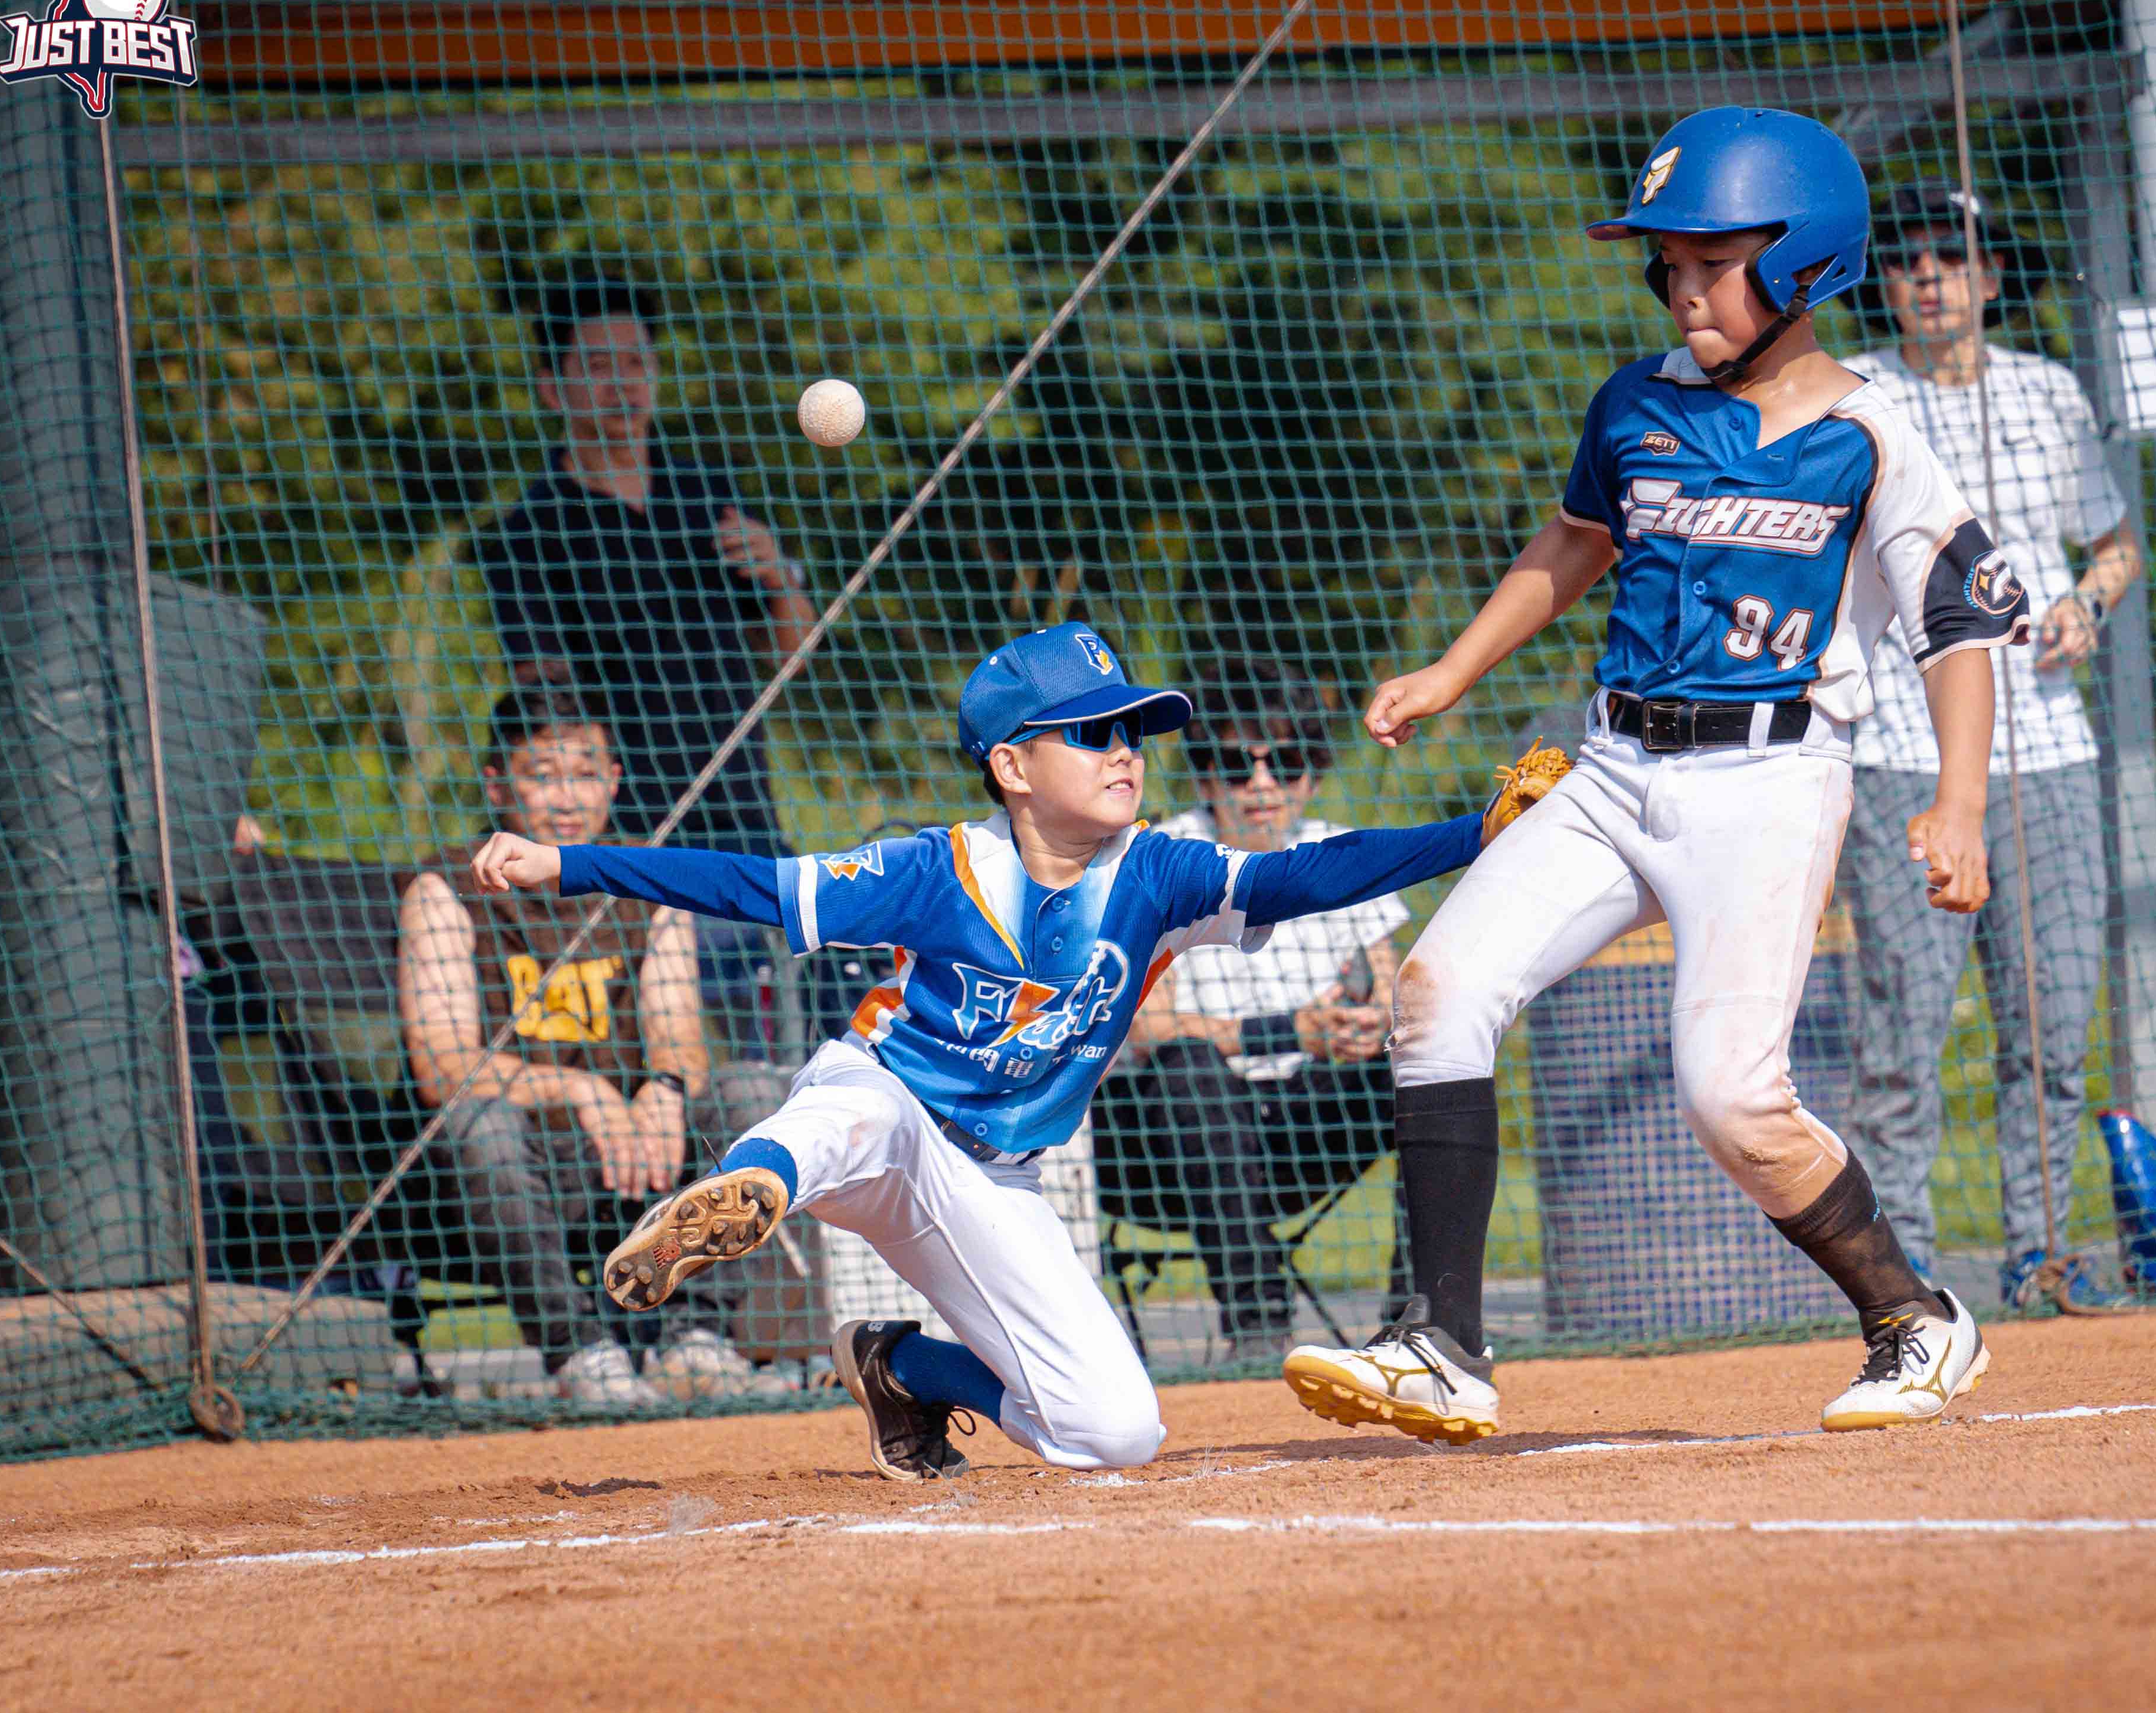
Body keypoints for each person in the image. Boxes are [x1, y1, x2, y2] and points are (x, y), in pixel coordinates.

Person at [1281, 107, 2028, 1445]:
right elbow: (1575, 543)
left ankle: (1913, 1316)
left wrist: (1958, 803)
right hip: (1613, 765)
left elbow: (1957, 624)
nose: (1681, 287)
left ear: (1803, 264)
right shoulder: (1636, 401)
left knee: (1732, 1098)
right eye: (1668, 264)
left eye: (1712, 264)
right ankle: (1441, 1346)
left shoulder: (1867, 434)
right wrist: (1452, 670)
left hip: (1768, 782)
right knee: (1436, 993)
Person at [468, 623, 1514, 1479]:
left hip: (993, 1179)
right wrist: (566, 863)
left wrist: (1477, 831)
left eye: (1131, 731)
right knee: (857, 1108)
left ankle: (901, 1367)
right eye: (1090, 732)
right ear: (1011, 765)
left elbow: (1314, 873)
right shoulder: (938, 868)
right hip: (881, 1117)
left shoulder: (1160, 874)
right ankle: (751, 1182)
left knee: (1114, 1431)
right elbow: (751, 884)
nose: (1123, 750)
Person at [1840, 184, 2146, 1312]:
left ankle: (2042, 1249)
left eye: (1950, 255)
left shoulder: (2048, 392)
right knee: (1902, 1030)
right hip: (1900, 752)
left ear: (1990, 276)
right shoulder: (1856, 393)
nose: (1927, 276)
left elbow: (2113, 545)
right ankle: (1900, 1275)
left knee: (2051, 1022)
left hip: (2047, 750)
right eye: (1905, 259)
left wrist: (2085, 605)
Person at [398, 689, 790, 1405]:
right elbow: (442, 1067)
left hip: (640, 1152)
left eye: (583, 774)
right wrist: (578, 1089)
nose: (566, 798)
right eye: (542, 776)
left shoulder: (646, 882)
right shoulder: (445, 888)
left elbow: (677, 1030)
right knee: (479, 1122)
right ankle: (580, 1354)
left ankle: (697, 1340)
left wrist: (663, 1089)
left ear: (612, 780)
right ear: (498, 786)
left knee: (754, 1092)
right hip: (519, 1166)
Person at [476, 269, 818, 1052]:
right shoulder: (530, 529)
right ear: (553, 389)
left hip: (744, 813)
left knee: (786, 1049)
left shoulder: (706, 492)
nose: (621, 385)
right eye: (597, 366)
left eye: (635, 363)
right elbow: (545, 701)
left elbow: (788, 660)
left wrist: (780, 577)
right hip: (632, 834)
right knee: (660, 1050)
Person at [1102, 658, 1411, 1364]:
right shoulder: (1155, 858)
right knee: (1189, 1068)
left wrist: (1367, 1027)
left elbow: (1390, 993)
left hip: (1301, 1135)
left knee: (1422, 1063)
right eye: (1239, 766)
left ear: (1313, 773)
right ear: (1206, 776)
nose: (1264, 785)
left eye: (1288, 763)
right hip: (1164, 1149)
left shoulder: (1340, 852)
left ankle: (1416, 1326)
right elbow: (1146, 1029)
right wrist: (1290, 1031)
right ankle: (1256, 1329)